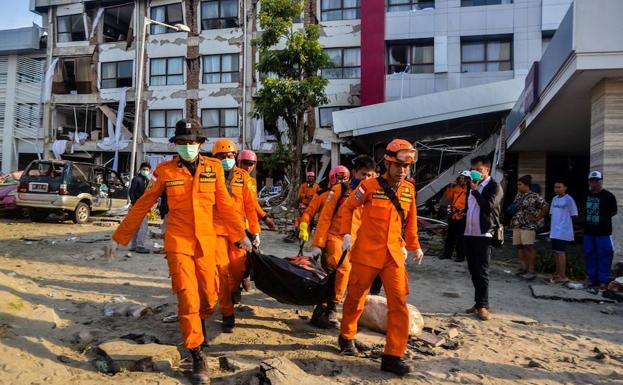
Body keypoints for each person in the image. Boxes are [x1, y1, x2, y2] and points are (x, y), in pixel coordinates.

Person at [108, 119, 251, 385]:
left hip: (207, 241)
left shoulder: (214, 168)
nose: (187, 147)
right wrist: (119, 237)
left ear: (200, 144)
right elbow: (143, 204)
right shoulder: (164, 171)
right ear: (176, 145)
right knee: (187, 296)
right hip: (178, 242)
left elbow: (226, 206)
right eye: (182, 143)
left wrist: (241, 235)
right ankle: (197, 354)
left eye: (192, 142)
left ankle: (200, 321)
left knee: (209, 296)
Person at [338, 139, 423, 376]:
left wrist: (414, 245)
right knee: (356, 297)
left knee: (398, 305)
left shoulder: (409, 190)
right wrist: (346, 232)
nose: (403, 171)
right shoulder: (369, 186)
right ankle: (346, 336)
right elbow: (347, 207)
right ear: (387, 163)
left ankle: (393, 355)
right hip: (366, 253)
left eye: (406, 167)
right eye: (398, 166)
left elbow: (411, 220)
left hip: (393, 256)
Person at [310, 157, 377, 328]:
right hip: (335, 238)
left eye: (370, 175)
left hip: (357, 242)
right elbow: (325, 218)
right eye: (363, 174)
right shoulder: (340, 190)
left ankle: (320, 312)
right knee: (343, 271)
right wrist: (318, 244)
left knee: (343, 278)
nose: (366, 178)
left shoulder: (374, 194)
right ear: (354, 173)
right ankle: (333, 309)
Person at [212, 139, 262, 324]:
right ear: (215, 157)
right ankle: (227, 313)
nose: (227, 159)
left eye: (231, 155)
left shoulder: (244, 177)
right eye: (222, 156)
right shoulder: (208, 176)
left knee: (238, 269)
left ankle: (234, 290)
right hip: (215, 230)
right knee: (221, 271)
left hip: (239, 231)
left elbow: (250, 206)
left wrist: (255, 231)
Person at [463, 155, 503, 321]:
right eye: (473, 170)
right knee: (473, 270)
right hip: (469, 232)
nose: (475, 174)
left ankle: (483, 306)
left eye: (479, 170)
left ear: (487, 169)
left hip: (484, 233)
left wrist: (475, 190)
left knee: (482, 271)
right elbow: (470, 207)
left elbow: (487, 207)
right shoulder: (472, 185)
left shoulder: (494, 186)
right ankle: (478, 302)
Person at [510, 175, 548, 281]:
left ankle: (531, 271)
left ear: (526, 185)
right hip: (517, 223)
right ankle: (523, 268)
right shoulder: (518, 195)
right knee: (520, 246)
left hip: (528, 225)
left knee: (528, 246)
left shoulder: (534, 196)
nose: (518, 186)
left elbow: (545, 206)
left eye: (520, 184)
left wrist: (538, 218)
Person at [584, 171, 618, 289]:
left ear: (601, 181)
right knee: (590, 254)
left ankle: (603, 280)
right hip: (588, 232)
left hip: (603, 232)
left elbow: (614, 211)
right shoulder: (585, 194)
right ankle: (591, 279)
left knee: (604, 255)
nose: (594, 183)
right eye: (592, 181)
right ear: (589, 182)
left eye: (596, 181)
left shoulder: (608, 196)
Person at [238, 149, 277, 230]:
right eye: (245, 163)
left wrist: (265, 218)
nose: (248, 167)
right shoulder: (232, 178)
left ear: (254, 165)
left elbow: (253, 203)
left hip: (246, 221)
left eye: (251, 164)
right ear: (239, 162)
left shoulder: (252, 181)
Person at [549, 179, 578, 284]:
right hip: (555, 230)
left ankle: (563, 275)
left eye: (559, 187)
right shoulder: (554, 199)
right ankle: (557, 273)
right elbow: (552, 213)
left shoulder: (569, 199)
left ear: (565, 188)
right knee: (556, 252)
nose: (556, 189)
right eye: (555, 187)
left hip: (563, 230)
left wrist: (566, 226)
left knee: (561, 252)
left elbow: (574, 214)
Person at [441, 171, 470, 262]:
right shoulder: (456, 187)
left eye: (463, 178)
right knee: (450, 236)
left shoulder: (470, 190)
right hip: (454, 215)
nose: (461, 179)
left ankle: (460, 255)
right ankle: (447, 254)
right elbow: (448, 197)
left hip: (463, 215)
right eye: (460, 178)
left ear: (467, 180)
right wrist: (450, 187)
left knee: (461, 237)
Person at [128, 162, 152, 254]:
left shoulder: (146, 180)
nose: (145, 171)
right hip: (139, 206)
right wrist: (135, 203)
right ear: (140, 169)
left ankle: (134, 246)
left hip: (142, 205)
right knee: (143, 227)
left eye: (147, 170)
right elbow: (131, 192)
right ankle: (140, 246)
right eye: (144, 169)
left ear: (150, 171)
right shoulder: (137, 179)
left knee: (137, 227)